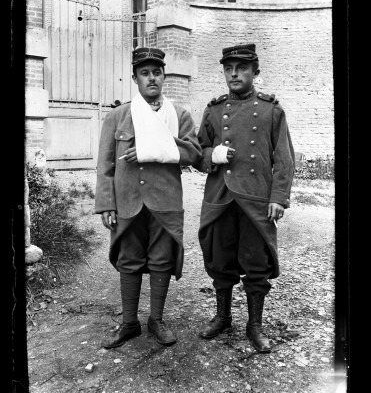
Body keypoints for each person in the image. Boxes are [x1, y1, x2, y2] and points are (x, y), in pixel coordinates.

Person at [95, 47, 202, 348]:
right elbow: (105, 163)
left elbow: (192, 154)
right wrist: (105, 203)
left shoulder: (179, 115)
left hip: (165, 200)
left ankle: (156, 320)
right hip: (128, 198)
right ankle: (130, 323)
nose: (151, 78)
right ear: (135, 78)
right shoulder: (118, 115)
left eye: (157, 72)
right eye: (145, 73)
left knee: (161, 260)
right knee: (128, 260)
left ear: (164, 76)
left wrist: (155, 148)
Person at [195, 43, 295, 353]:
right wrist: (213, 154)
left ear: (255, 72)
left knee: (256, 262)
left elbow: (285, 158)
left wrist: (278, 197)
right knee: (219, 258)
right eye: (229, 69)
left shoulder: (270, 109)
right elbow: (197, 155)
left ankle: (254, 325)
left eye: (242, 68)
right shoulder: (213, 110)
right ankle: (223, 316)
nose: (234, 74)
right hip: (222, 196)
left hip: (255, 198)